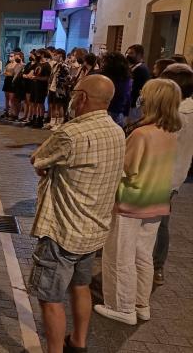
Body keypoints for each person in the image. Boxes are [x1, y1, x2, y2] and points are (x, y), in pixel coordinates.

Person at [28, 75, 125, 353]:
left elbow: (38, 159)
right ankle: (79, 343)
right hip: (95, 228)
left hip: (63, 229)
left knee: (50, 298)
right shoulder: (117, 130)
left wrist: (45, 164)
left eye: (74, 93)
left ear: (81, 98)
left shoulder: (70, 133)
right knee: (81, 287)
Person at [95, 78, 182, 325]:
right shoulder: (171, 132)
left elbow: (126, 168)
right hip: (156, 201)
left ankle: (121, 306)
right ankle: (141, 303)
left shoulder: (142, 134)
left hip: (131, 201)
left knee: (120, 255)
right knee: (143, 255)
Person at [154, 64, 193, 285]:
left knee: (159, 223)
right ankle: (155, 265)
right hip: (174, 174)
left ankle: (156, 266)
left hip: (163, 174)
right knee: (160, 220)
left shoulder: (178, 114)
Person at [100, 52, 132, 127]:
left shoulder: (106, 79)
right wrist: (126, 114)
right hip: (120, 112)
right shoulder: (127, 79)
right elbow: (128, 97)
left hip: (107, 112)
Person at [126, 44, 151, 123]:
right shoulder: (134, 67)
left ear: (139, 55)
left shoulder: (141, 69)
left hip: (135, 105)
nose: (128, 55)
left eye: (131, 53)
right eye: (127, 53)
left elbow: (135, 88)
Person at [2, 52, 23, 119]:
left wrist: (8, 73)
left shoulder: (17, 65)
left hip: (12, 82)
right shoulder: (8, 64)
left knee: (12, 99)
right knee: (7, 98)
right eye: (10, 56)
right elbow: (4, 72)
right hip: (7, 81)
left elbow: (13, 74)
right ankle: (7, 111)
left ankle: (13, 113)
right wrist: (8, 73)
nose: (10, 57)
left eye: (12, 56)